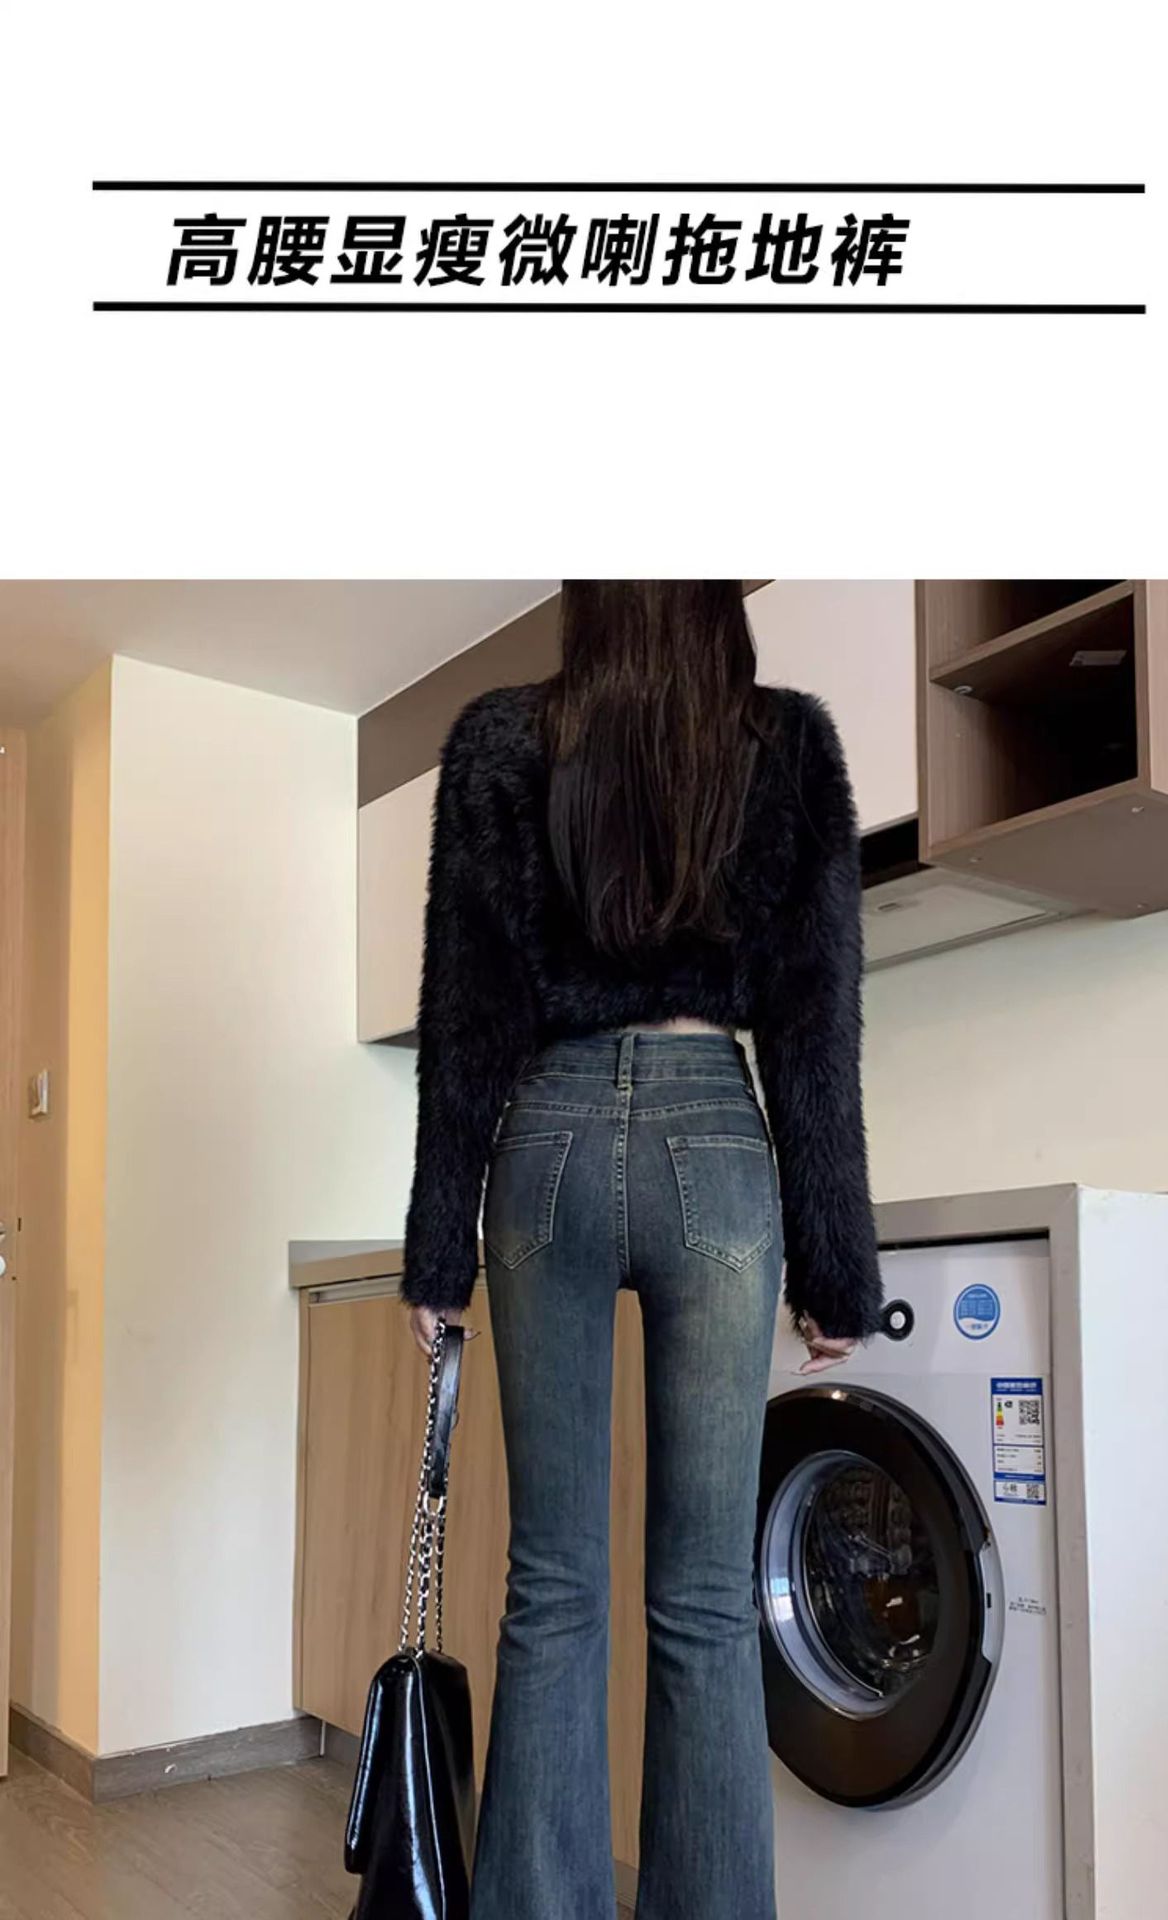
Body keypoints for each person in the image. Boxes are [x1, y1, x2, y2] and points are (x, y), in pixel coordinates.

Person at [401, 579, 883, 1920]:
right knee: (709, 1600)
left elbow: (465, 1015)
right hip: (714, 1142)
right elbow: (815, 1018)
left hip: (545, 1137)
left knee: (552, 1588)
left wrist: (438, 1250)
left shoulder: (500, 739)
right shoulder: (786, 740)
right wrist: (835, 1261)